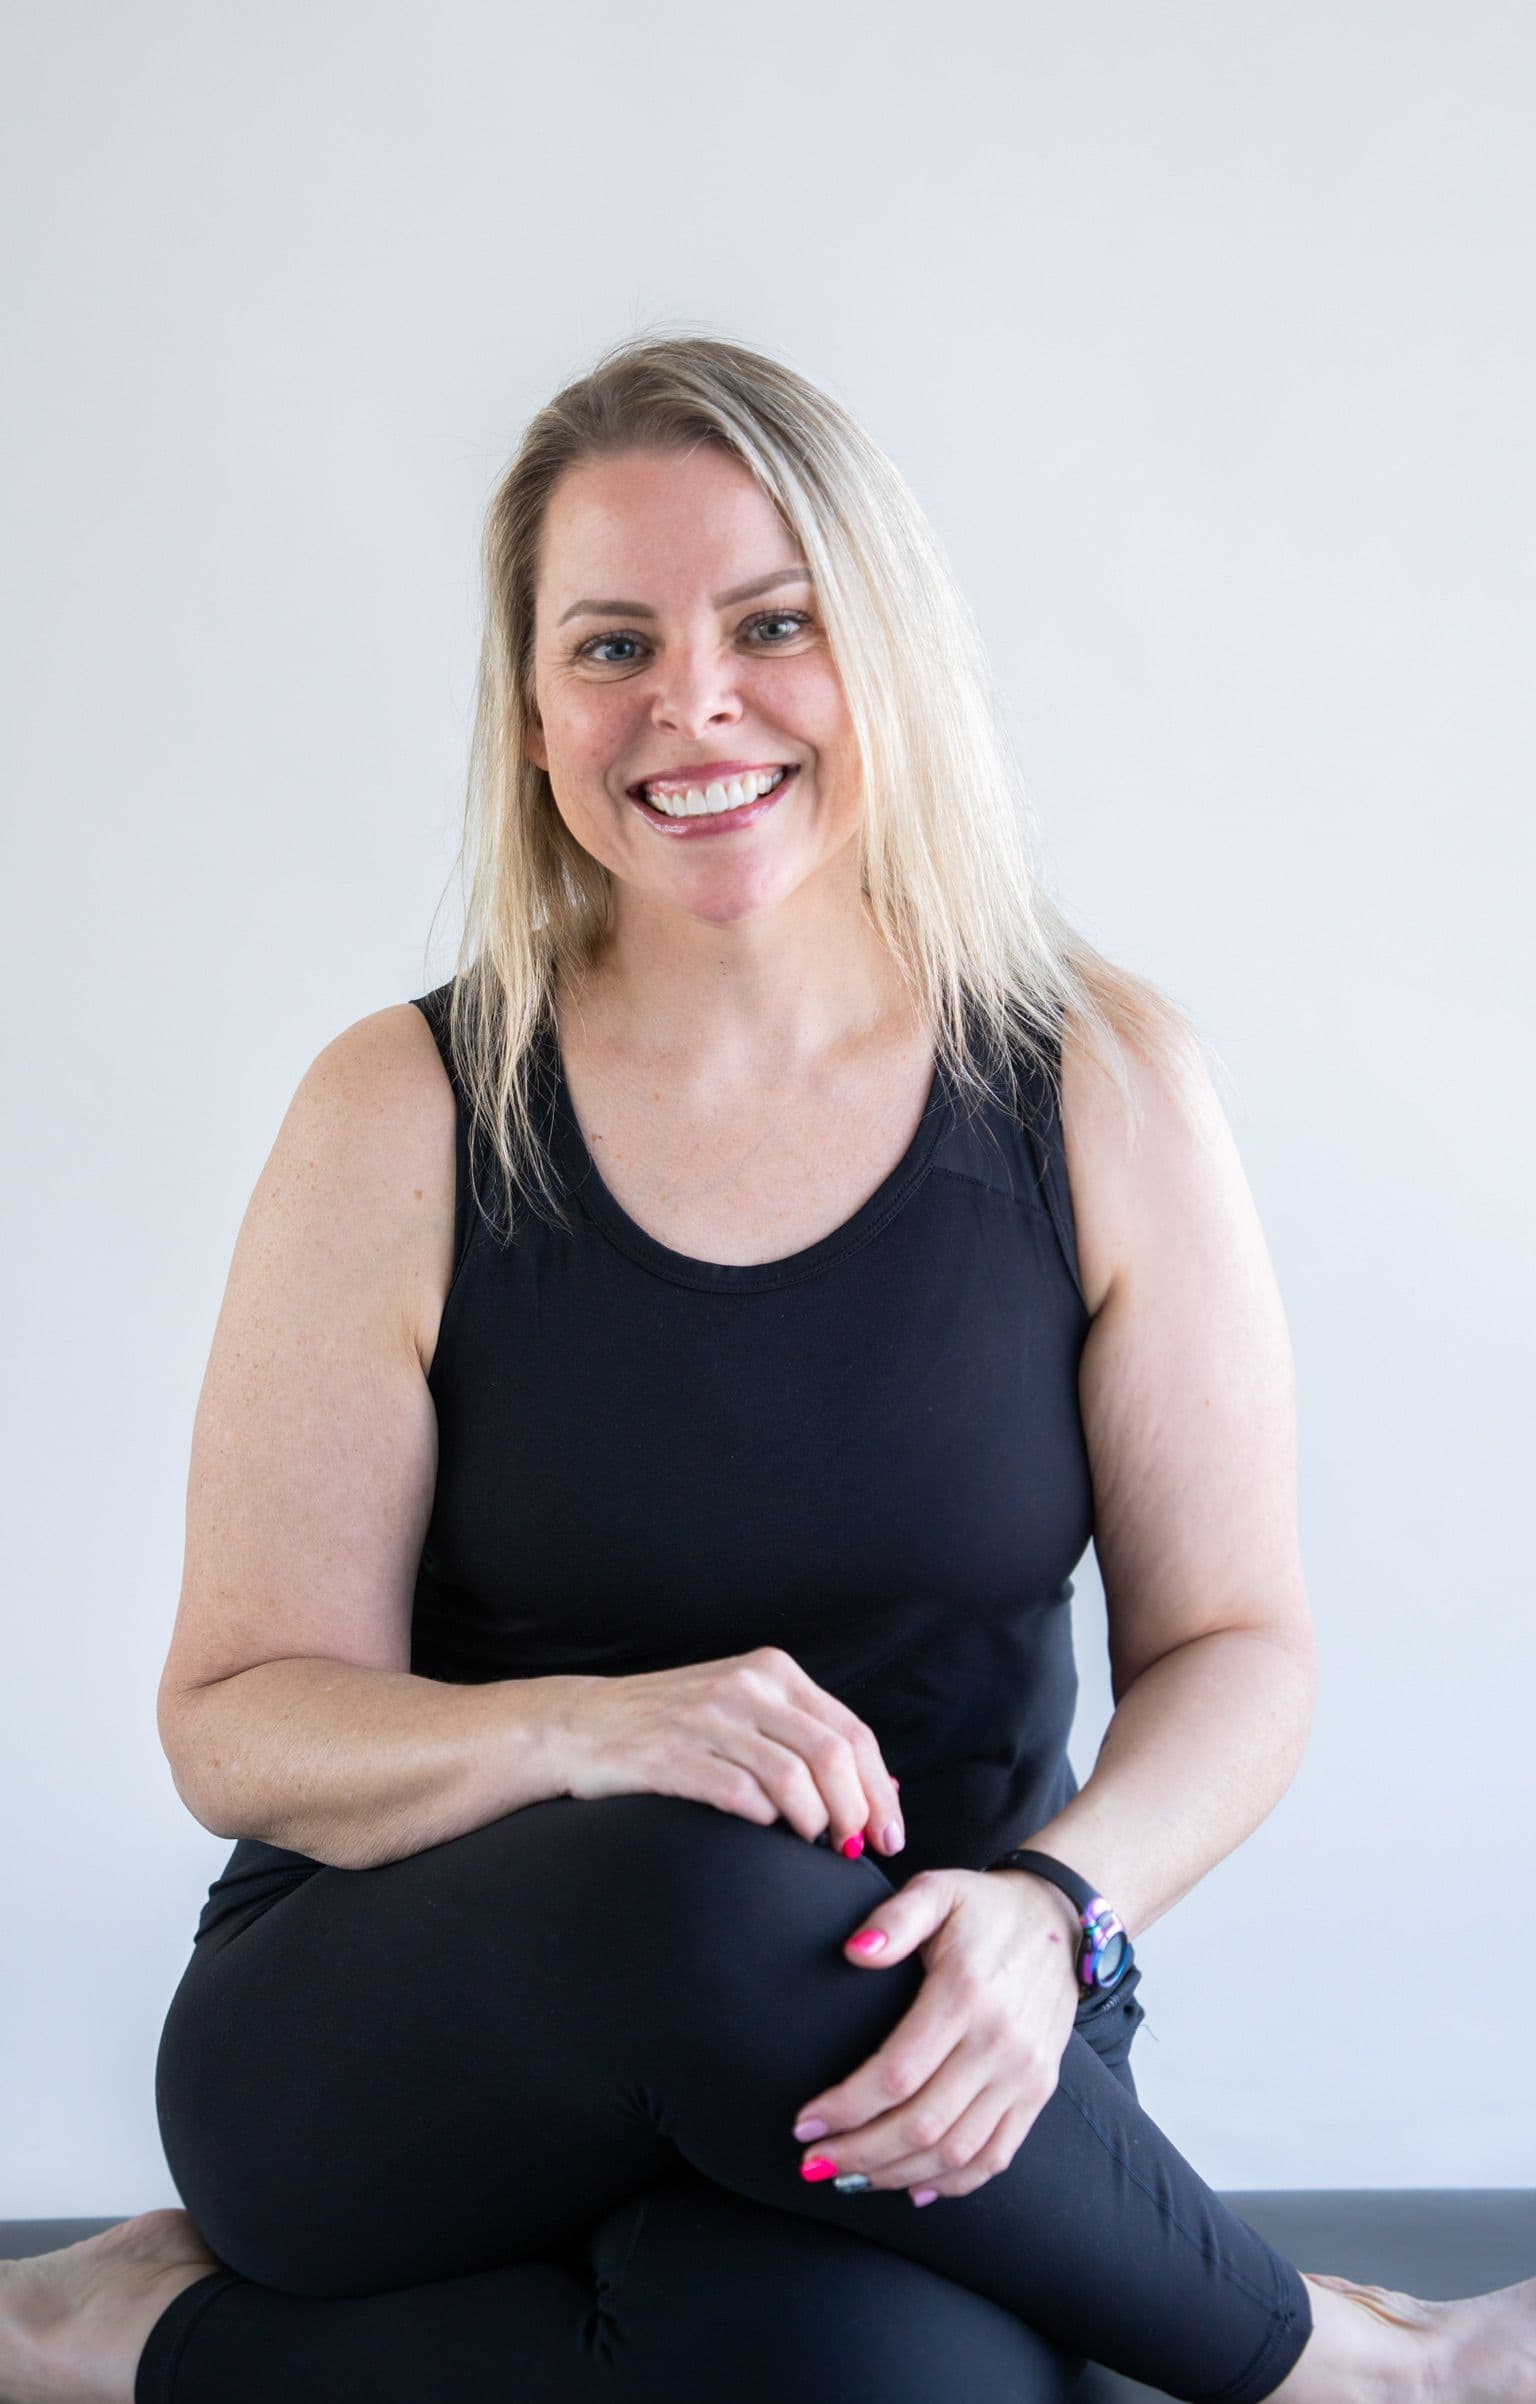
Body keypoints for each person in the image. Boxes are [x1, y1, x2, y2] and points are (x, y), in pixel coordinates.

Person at [2, 334, 1530, 2404]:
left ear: (882, 658)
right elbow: (240, 1717)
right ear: (535, 716)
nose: (693, 701)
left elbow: (1241, 1642)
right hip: (415, 2043)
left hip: (933, 2020)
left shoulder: (1100, 1087)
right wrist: (588, 1736)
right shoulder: (401, 1112)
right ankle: (1353, 2359)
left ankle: (131, 2332)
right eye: (611, 641)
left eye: (774, 623)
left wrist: (1056, 1906)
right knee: (699, 1881)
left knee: (853, 2371)